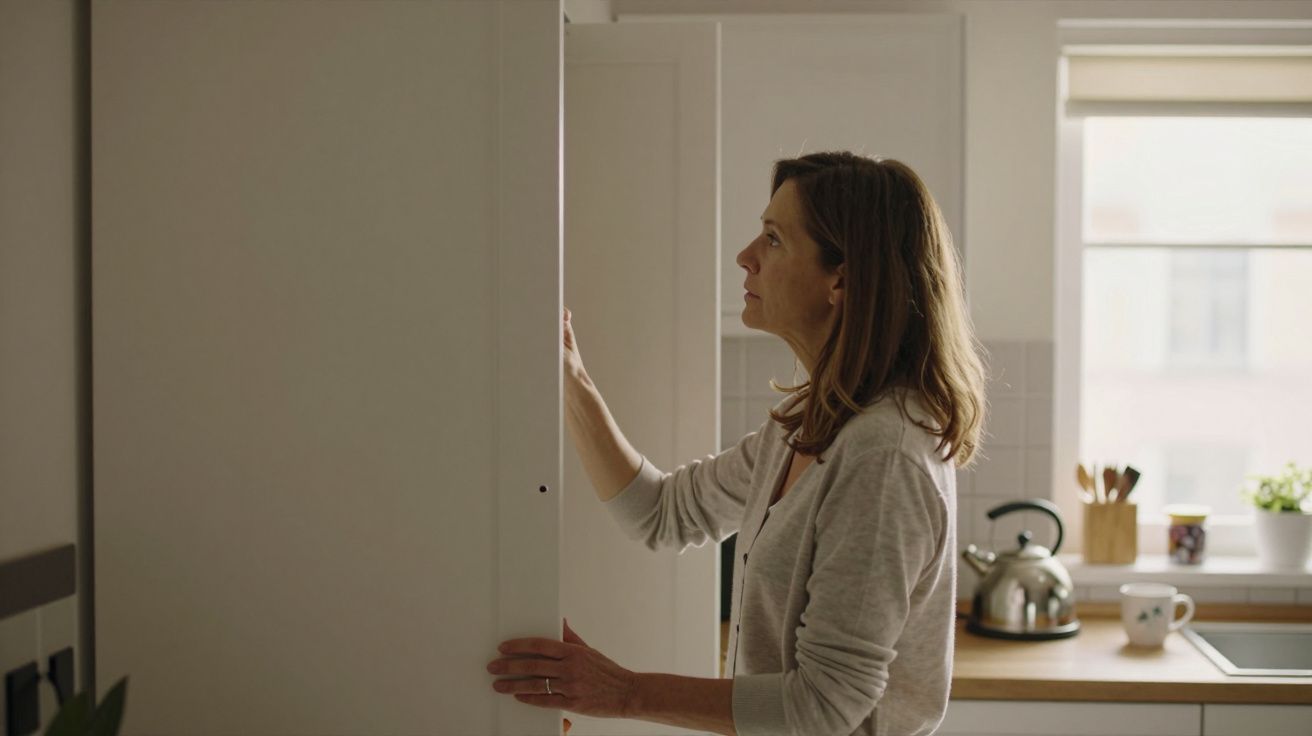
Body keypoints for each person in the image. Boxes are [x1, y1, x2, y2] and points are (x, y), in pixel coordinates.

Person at [487, 151, 986, 736]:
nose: (745, 257)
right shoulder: (805, 424)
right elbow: (661, 513)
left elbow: (822, 708)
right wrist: (570, 377)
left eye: (774, 240)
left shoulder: (884, 456)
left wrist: (622, 692)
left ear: (841, 279)